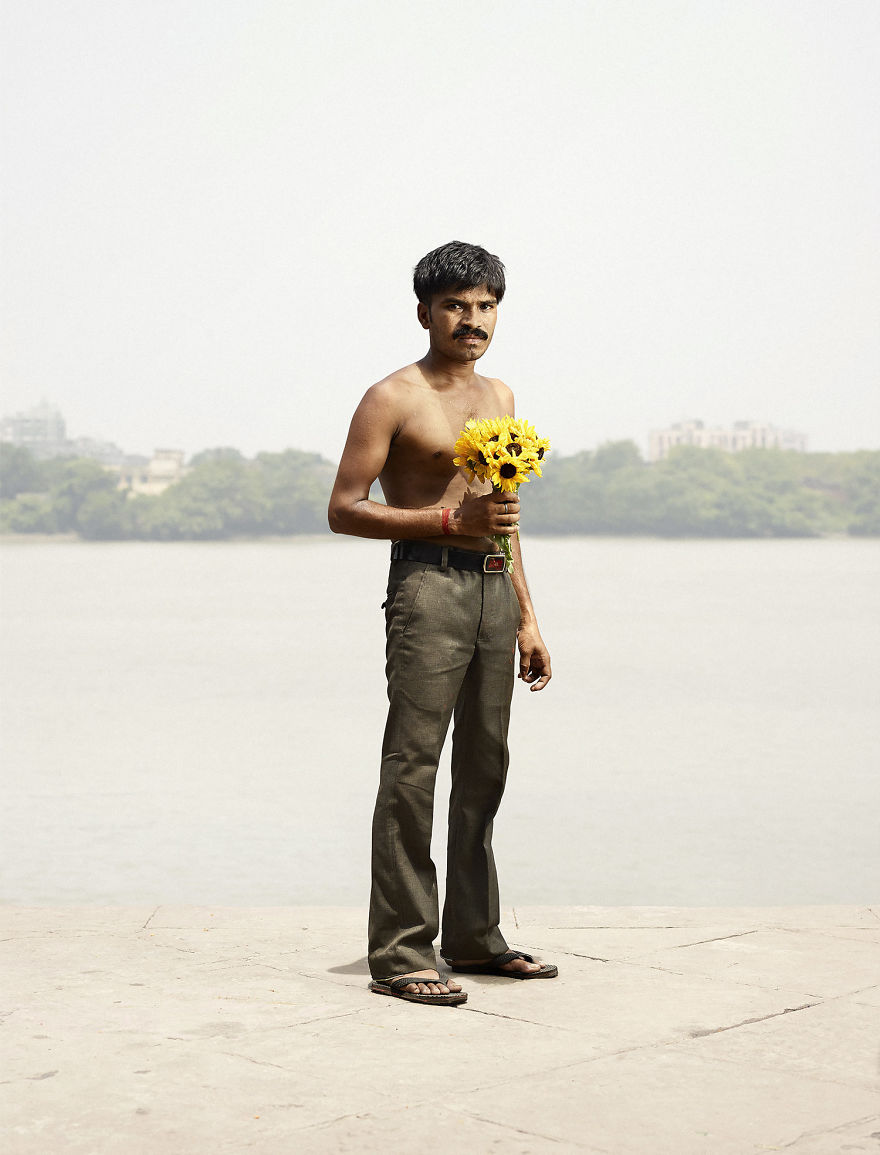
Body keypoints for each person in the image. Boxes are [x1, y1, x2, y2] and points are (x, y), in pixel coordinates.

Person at [328, 241, 556, 1006]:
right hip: (427, 584)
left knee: (486, 765)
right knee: (413, 766)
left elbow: (505, 516)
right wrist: (443, 518)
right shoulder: (392, 396)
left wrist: (529, 616)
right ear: (425, 311)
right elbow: (343, 508)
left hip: (494, 588)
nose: (473, 319)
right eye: (457, 305)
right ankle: (400, 952)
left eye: (486, 305)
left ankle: (473, 937)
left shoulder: (500, 396)